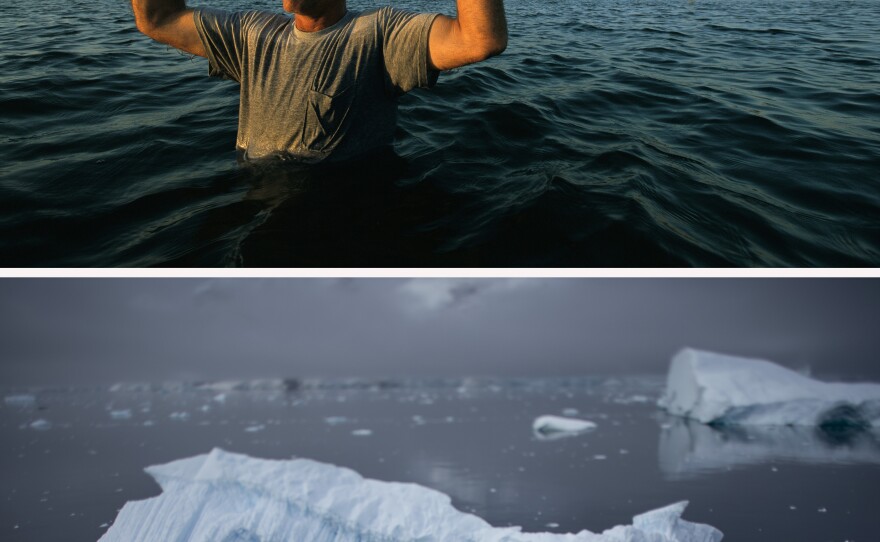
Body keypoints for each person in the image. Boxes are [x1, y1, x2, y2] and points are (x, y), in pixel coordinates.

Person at [130, 0, 507, 162]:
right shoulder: (250, 33)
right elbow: (157, 17)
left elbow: (479, 39)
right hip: (254, 205)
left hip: (344, 214)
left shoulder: (378, 34)